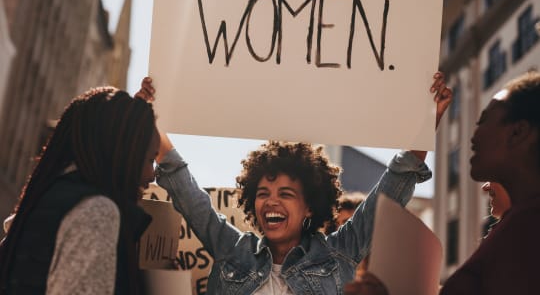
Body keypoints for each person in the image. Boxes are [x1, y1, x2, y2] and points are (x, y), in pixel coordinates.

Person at [142, 72, 451, 294]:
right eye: (263, 193)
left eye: (285, 194)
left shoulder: (340, 252)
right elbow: (185, 189)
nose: (271, 201)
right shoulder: (232, 250)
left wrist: (426, 121)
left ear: (308, 207)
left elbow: (392, 189)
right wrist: (149, 118)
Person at [351, 71, 540, 295]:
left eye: (484, 120)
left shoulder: (527, 230)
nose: (473, 135)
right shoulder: (519, 224)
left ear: (518, 132)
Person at [0, 87, 160, 295]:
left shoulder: (49, 201)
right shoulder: (96, 214)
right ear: (124, 152)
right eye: (150, 160)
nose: (152, 175)